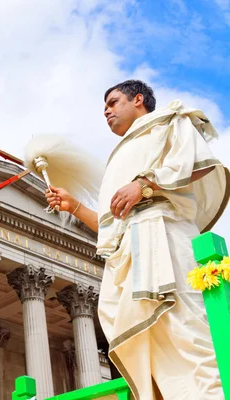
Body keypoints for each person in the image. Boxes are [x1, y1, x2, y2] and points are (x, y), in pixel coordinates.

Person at [46, 80, 228, 399]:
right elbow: (112, 225)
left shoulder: (170, 120)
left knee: (184, 325)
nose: (106, 110)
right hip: (129, 247)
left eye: (113, 102)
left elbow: (197, 165)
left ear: (139, 99)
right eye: (105, 106)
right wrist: (74, 206)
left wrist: (144, 185)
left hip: (165, 232)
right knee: (145, 341)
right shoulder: (120, 154)